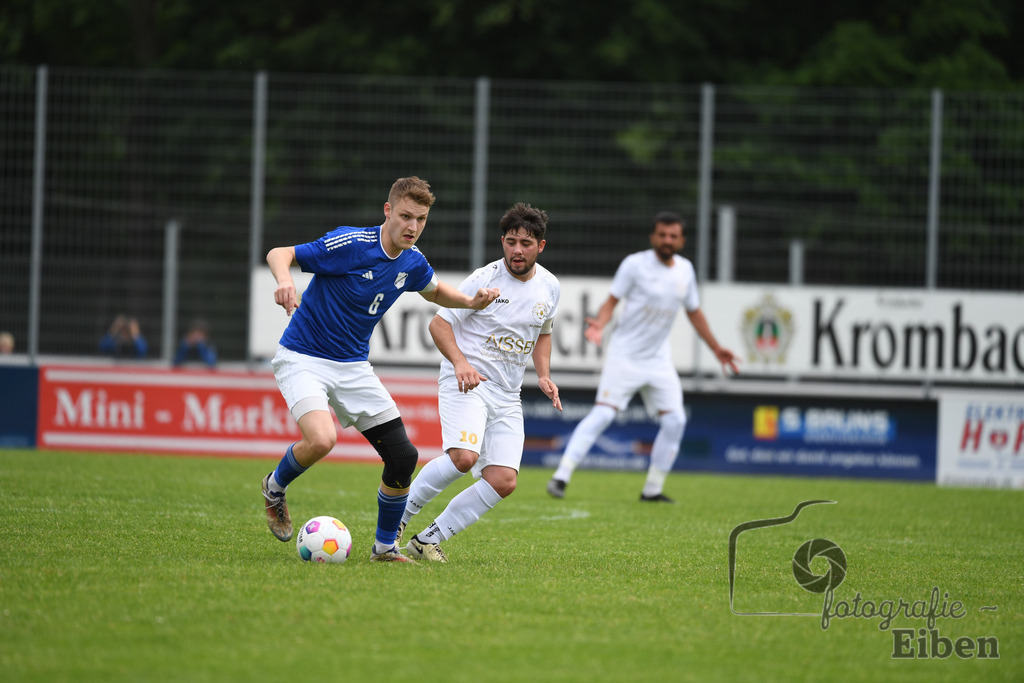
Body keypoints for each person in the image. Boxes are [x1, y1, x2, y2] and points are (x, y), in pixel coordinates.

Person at [261, 176, 500, 563]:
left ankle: (385, 548)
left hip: (353, 366)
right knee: (322, 439)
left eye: (421, 219)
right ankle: (274, 488)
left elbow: (435, 291)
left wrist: (471, 302)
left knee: (403, 457)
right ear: (387, 211)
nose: (412, 226)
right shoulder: (351, 243)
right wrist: (285, 280)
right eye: (405, 216)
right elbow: (279, 253)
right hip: (303, 356)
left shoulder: (412, 260)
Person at [398, 202, 561, 562]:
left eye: (526, 244)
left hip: (508, 394)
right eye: (511, 242)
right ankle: (397, 518)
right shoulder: (485, 278)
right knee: (463, 457)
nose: (517, 250)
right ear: (502, 241)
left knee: (504, 480)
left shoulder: (550, 286)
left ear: (540, 246)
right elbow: (439, 325)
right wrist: (460, 364)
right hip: (468, 382)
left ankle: (427, 540)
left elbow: (544, 332)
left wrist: (544, 375)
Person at [546, 211, 739, 503]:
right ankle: (561, 476)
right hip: (625, 356)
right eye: (662, 235)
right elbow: (611, 301)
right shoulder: (634, 264)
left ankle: (652, 490)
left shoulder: (685, 270)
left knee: (676, 421)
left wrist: (716, 348)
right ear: (653, 237)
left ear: (682, 241)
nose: (667, 240)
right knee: (604, 414)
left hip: (659, 361)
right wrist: (599, 324)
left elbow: (694, 312)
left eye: (673, 236)